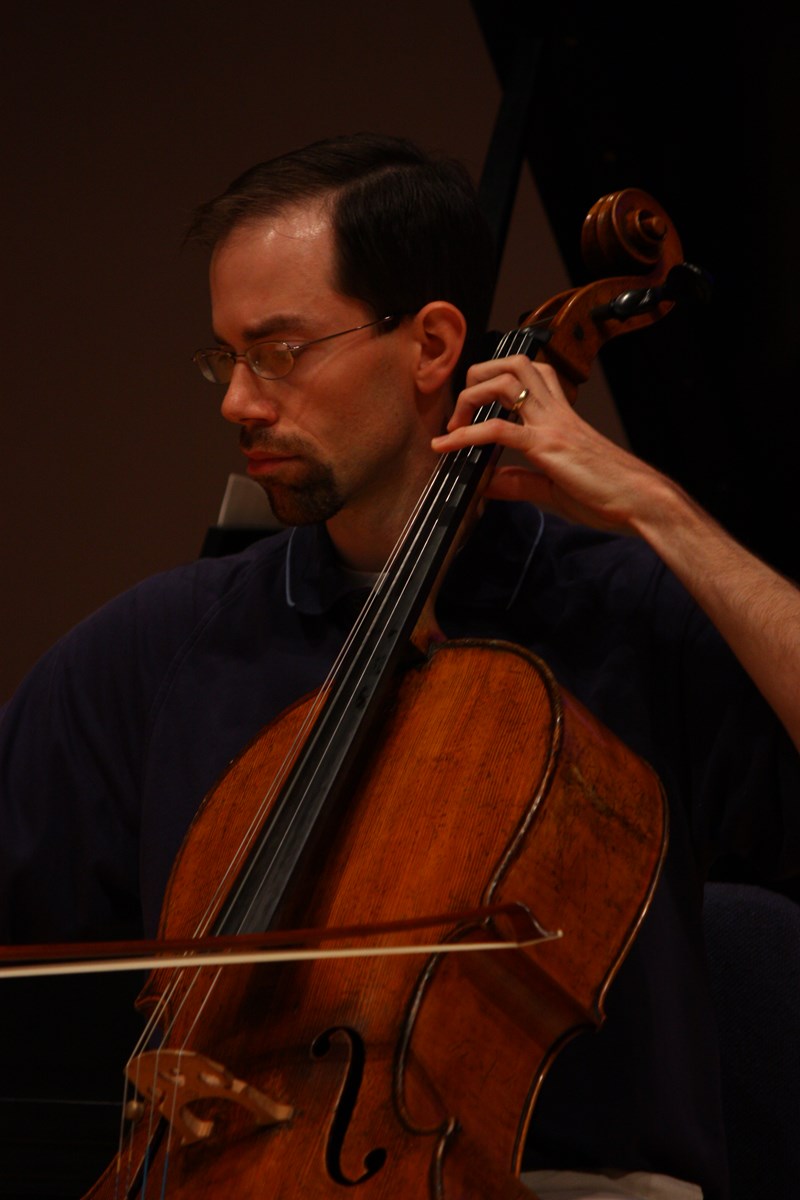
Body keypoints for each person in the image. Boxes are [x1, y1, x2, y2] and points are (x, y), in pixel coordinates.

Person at [1, 132, 798, 1200]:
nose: (237, 401)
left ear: (431, 346)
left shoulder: (627, 611)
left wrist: (659, 511)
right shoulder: (157, 648)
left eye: (280, 352)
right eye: (226, 357)